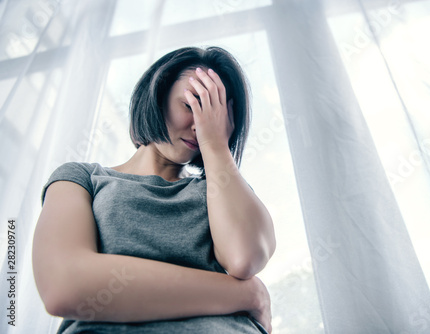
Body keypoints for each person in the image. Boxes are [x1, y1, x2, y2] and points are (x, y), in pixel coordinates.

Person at [32, 46, 276, 334]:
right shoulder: (83, 179)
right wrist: (247, 295)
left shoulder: (220, 193)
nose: (201, 126)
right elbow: (64, 285)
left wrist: (216, 146)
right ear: (157, 96)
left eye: (216, 115)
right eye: (192, 105)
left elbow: (244, 258)